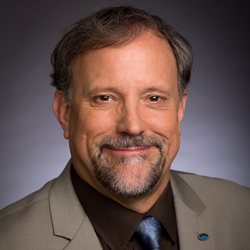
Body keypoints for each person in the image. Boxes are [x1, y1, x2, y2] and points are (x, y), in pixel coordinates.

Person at [0, 5, 249, 250]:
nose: (132, 125)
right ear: (65, 113)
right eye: (104, 98)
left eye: (154, 98)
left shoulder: (242, 212)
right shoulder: (9, 240)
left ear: (179, 110)